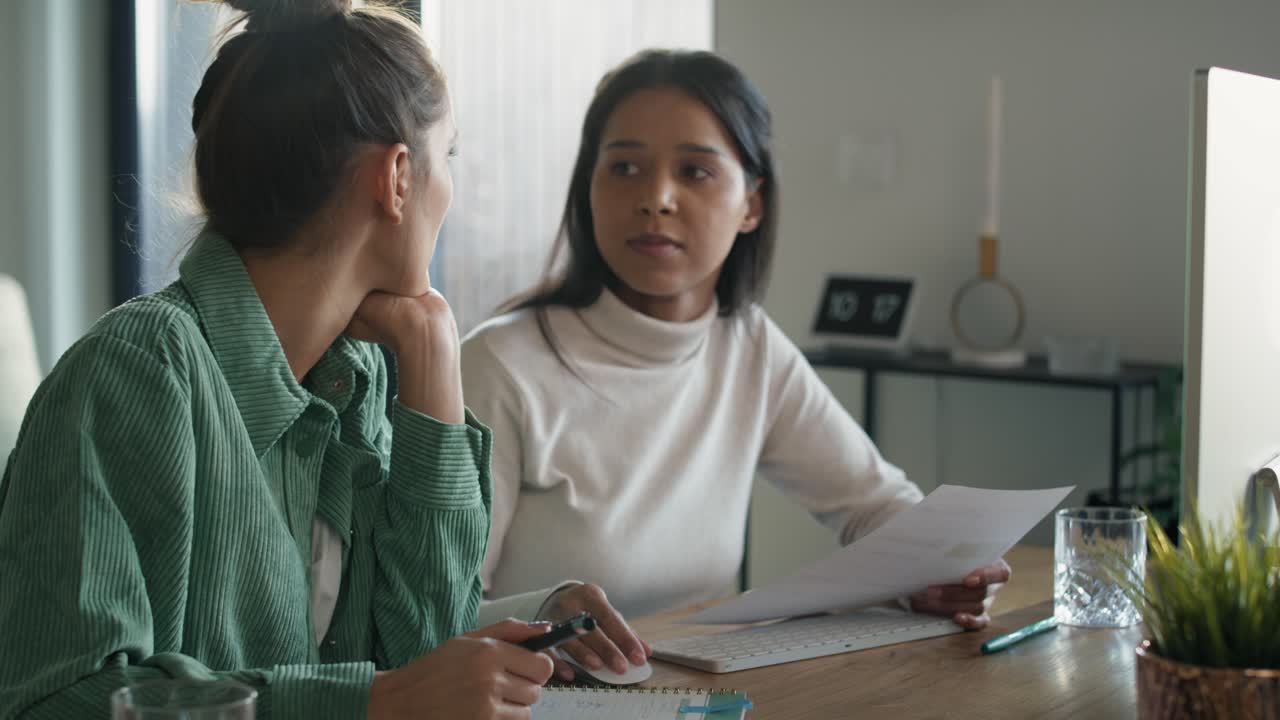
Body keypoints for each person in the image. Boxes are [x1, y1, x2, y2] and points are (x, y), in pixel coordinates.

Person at [0, 2, 555, 718]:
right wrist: (371, 702)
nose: (450, 186)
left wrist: (434, 362)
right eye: (447, 156)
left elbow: (427, 657)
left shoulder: (368, 375)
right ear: (396, 177)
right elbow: (57, 701)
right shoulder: (135, 373)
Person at [463, 49, 1012, 682]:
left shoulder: (748, 347)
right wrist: (543, 615)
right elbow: (427, 610)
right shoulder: (501, 364)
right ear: (588, 190)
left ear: (751, 203)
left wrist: (938, 571)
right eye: (624, 167)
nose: (656, 198)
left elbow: (873, 504)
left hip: (702, 695)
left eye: (694, 170)